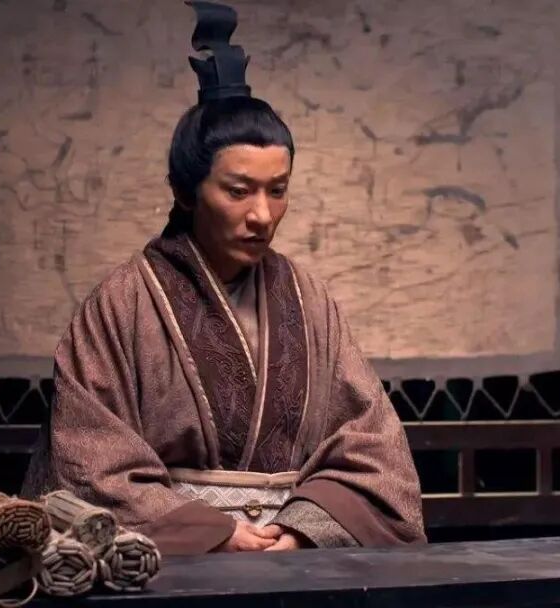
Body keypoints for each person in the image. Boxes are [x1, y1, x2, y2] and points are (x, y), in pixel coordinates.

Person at [21, 0, 425, 554]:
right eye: (238, 191)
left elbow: (372, 447)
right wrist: (212, 532)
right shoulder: (123, 303)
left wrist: (301, 531)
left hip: (295, 557)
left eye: (277, 190)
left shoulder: (309, 300)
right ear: (185, 191)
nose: (262, 214)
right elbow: (90, 464)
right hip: (173, 564)